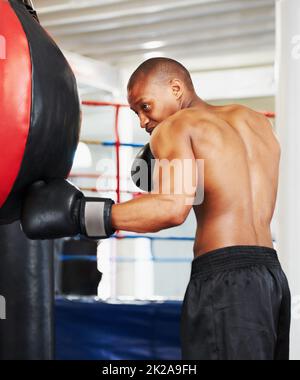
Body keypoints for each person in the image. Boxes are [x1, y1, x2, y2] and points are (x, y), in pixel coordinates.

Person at [21, 58, 291, 360]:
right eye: (135, 112)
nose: (142, 121)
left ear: (176, 88)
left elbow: (171, 208)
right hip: (271, 277)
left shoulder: (176, 126)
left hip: (224, 280)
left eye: (145, 106)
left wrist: (81, 215)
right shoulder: (256, 123)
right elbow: (230, 190)